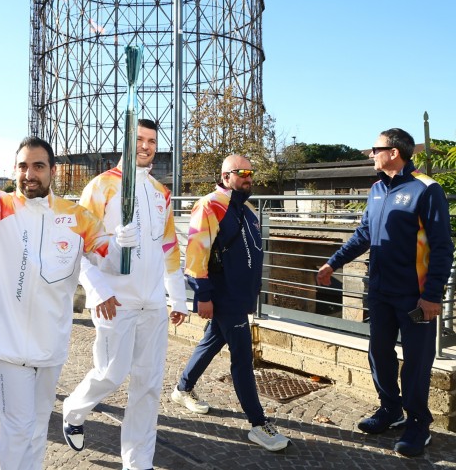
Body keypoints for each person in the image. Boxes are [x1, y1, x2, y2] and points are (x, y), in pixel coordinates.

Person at [0, 97, 135, 469]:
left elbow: (111, 262)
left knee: (37, 428)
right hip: (8, 344)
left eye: (38, 166)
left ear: (53, 170)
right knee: (17, 428)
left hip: (50, 343)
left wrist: (124, 243)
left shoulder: (75, 216)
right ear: (14, 170)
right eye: (23, 166)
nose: (29, 174)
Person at [316, 128, 454, 457]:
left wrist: (432, 295)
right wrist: (332, 263)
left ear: (393, 152)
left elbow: (442, 247)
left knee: (417, 362)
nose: (370, 154)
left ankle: (418, 423)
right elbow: (363, 234)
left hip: (415, 296)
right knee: (379, 354)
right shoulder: (377, 189)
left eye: (374, 149)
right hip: (379, 292)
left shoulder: (426, 190)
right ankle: (390, 410)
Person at [60, 119, 189, 469]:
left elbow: (169, 245)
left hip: (152, 303)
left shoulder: (161, 192)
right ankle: (73, 410)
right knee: (110, 374)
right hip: (116, 299)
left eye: (151, 141)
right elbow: (79, 245)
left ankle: (138, 462)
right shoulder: (101, 187)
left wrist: (176, 296)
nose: (146, 146)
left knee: (148, 386)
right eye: (140, 140)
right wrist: (98, 291)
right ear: (127, 143)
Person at [172, 155, 290, 452]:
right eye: (242, 172)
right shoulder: (210, 204)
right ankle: (257, 424)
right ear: (226, 176)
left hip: (240, 294)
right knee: (242, 360)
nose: (249, 177)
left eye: (251, 172)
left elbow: (252, 251)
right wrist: (203, 295)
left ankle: (182, 388)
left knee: (212, 341)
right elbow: (196, 253)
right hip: (224, 295)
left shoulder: (247, 207)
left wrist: (253, 288)